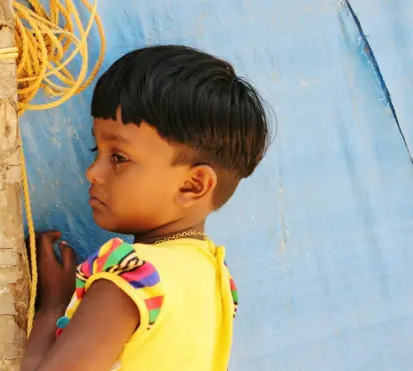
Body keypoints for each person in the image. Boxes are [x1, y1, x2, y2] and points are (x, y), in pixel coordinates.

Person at [21, 45, 270, 371]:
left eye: (119, 158)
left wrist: (52, 307)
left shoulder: (132, 276)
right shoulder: (214, 278)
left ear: (193, 185)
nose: (92, 172)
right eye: (98, 149)